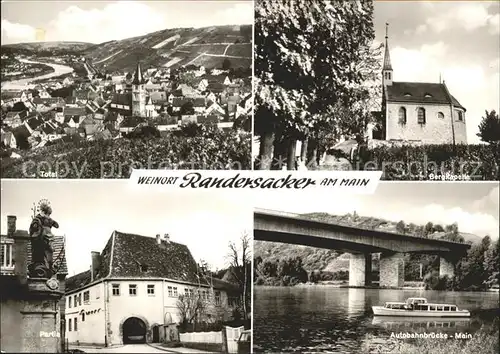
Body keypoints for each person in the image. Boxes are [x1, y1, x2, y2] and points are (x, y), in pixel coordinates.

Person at [29, 203, 59, 278]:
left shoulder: (48, 220)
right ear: (42, 212)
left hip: (47, 241)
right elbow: (34, 233)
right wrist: (40, 233)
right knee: (40, 259)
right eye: (47, 214)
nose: (48, 216)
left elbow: (57, 225)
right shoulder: (37, 220)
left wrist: (51, 221)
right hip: (39, 243)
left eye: (49, 215)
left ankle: (49, 268)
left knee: (49, 258)